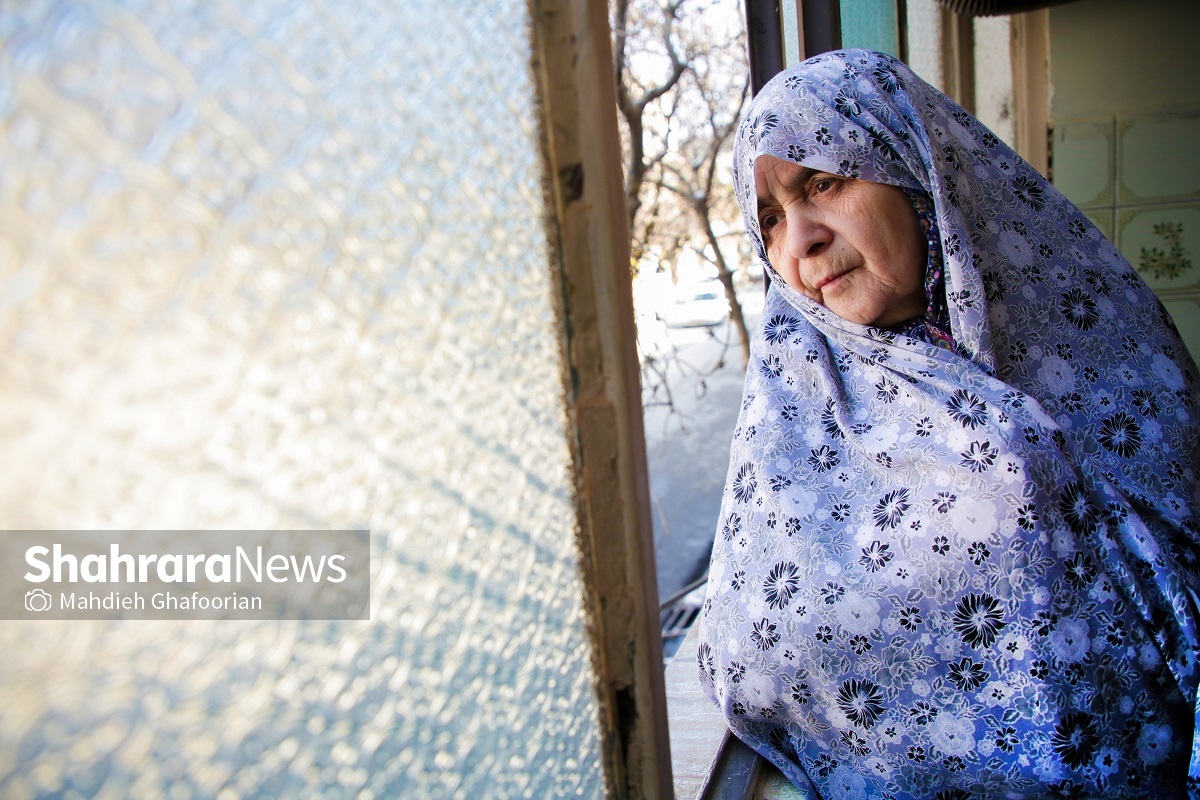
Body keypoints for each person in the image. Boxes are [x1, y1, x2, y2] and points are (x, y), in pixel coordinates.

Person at [696, 49, 1200, 798]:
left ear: (912, 165)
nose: (798, 241)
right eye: (769, 220)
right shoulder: (791, 407)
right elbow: (746, 656)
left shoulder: (1101, 338)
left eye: (823, 181)